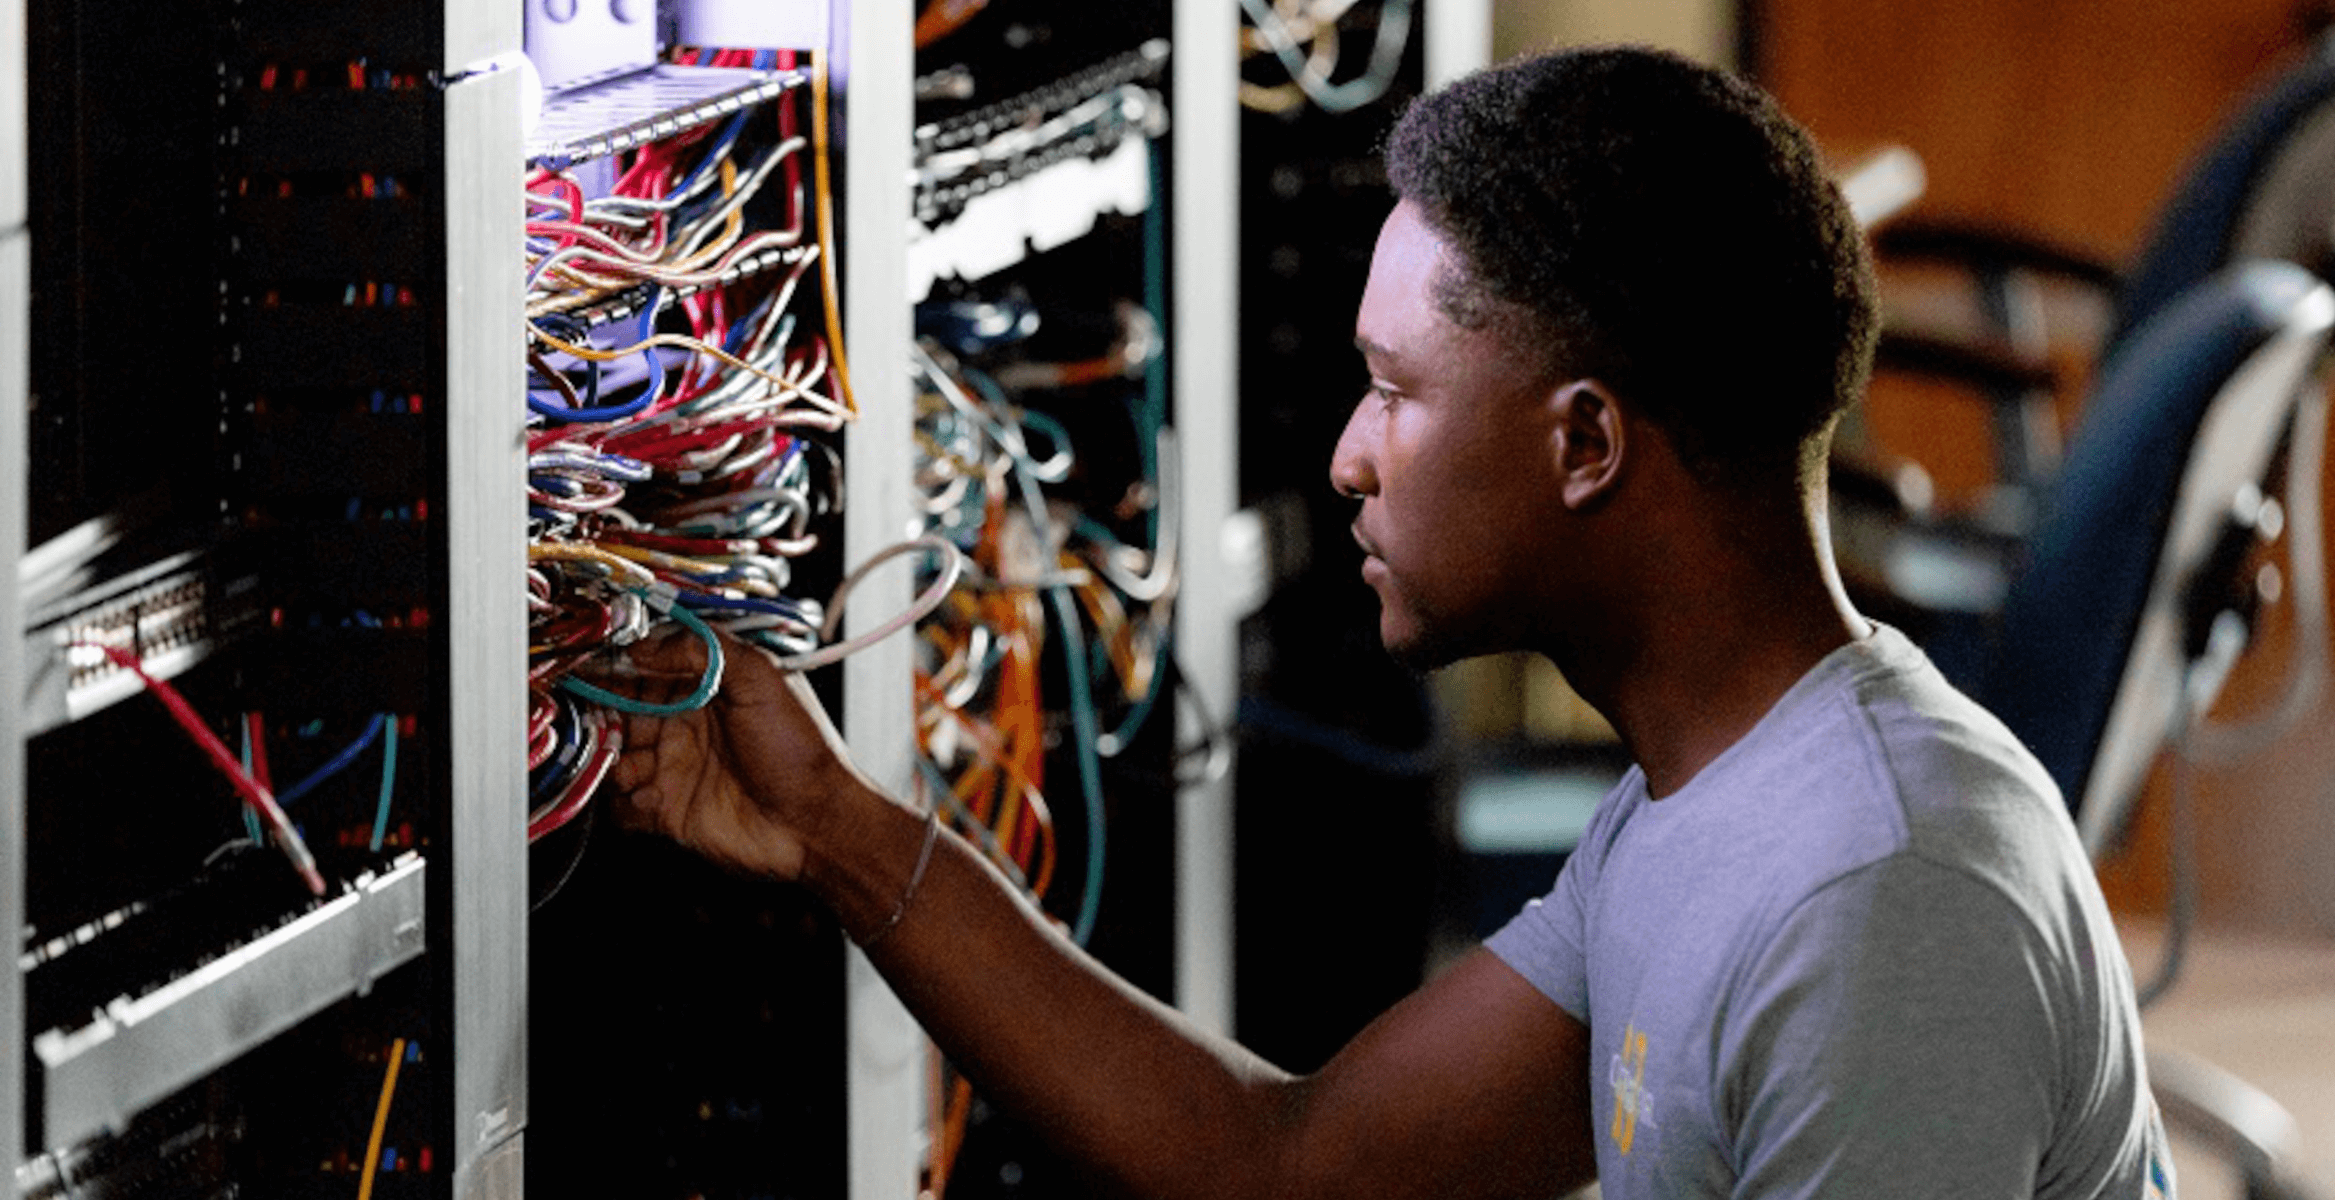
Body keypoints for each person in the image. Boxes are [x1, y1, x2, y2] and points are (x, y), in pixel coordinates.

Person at [614, 45, 2175, 1200]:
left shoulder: (1873, 899)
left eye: (1396, 390)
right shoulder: (1703, 808)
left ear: (1584, 444)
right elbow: (1285, 1165)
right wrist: (828, 825)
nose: (1349, 455)